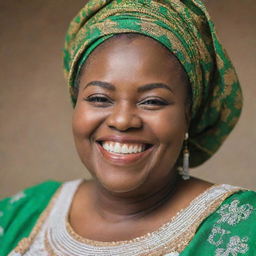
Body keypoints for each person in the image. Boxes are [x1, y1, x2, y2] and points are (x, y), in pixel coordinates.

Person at [1, 0, 255, 255]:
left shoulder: (244, 227)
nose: (122, 121)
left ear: (188, 115)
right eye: (99, 98)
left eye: (152, 101)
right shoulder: (19, 215)